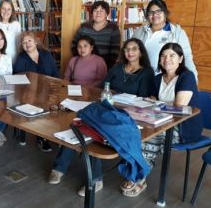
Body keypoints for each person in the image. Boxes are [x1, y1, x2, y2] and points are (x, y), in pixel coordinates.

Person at [49, 38, 155, 197]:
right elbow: (103, 87)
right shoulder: (118, 68)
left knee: (95, 133)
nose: (130, 52)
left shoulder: (146, 72)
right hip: (106, 108)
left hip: (125, 115)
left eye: (134, 49)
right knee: (77, 126)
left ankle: (95, 179)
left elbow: (144, 98)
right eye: (127, 49)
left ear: (140, 52)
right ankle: (59, 167)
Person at [121, 43, 202, 197]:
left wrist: (157, 104)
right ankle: (134, 171)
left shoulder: (187, 76)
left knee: (146, 138)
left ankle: (139, 178)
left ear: (181, 58)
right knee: (132, 132)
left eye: (172, 55)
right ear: (159, 60)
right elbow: (150, 101)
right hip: (159, 121)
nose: (167, 59)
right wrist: (156, 105)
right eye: (163, 56)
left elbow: (179, 108)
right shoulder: (158, 78)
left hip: (183, 127)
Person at [14, 31, 59, 152]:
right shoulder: (21, 58)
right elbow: (18, 78)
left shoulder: (46, 54)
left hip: (48, 90)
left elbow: (55, 74)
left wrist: (55, 90)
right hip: (28, 92)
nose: (27, 44)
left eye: (29, 40)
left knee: (56, 105)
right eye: (24, 42)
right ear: (21, 46)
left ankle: (54, 134)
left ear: (35, 41)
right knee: (39, 104)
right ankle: (42, 137)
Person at [132, 0, 198, 79]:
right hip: (141, 78)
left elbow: (187, 58)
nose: (154, 15)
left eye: (158, 11)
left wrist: (193, 80)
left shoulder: (177, 33)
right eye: (151, 12)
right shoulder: (139, 32)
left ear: (165, 13)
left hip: (167, 79)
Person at [71, 0, 121, 69]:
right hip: (84, 65)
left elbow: (115, 51)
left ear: (106, 14)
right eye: (95, 11)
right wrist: (81, 60)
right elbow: (74, 44)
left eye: (101, 11)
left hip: (105, 67)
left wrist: (104, 66)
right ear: (91, 13)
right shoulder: (84, 27)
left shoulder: (113, 28)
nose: (98, 13)